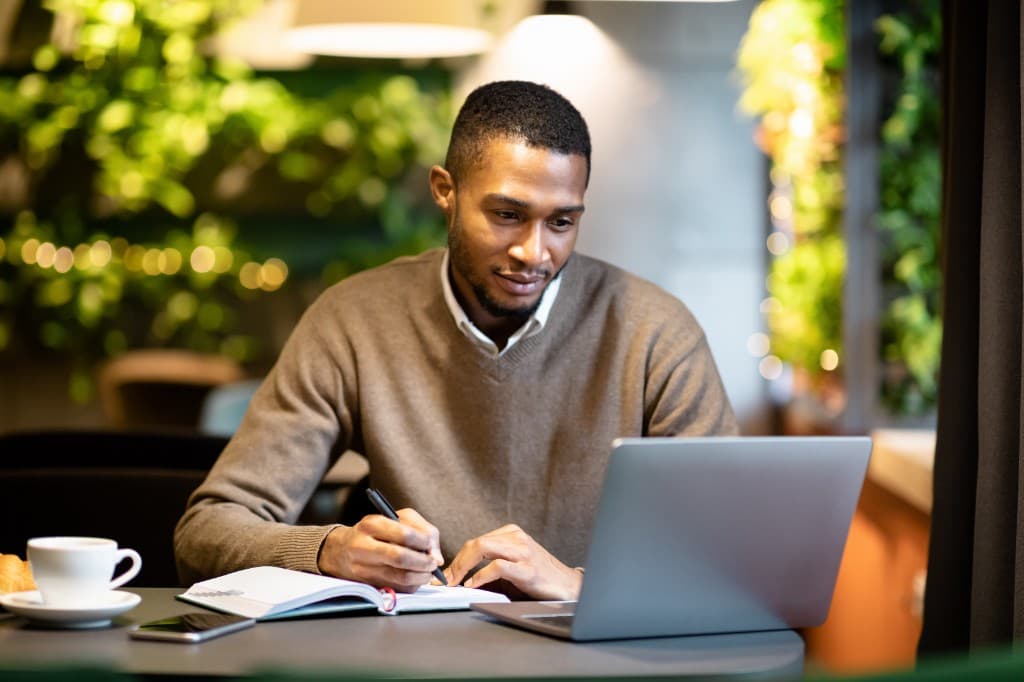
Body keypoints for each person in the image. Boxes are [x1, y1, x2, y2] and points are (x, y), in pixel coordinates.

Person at [174, 80, 738, 600]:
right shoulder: (355, 320)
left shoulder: (657, 331)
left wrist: (576, 583)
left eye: (561, 223)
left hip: (602, 658)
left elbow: (731, 552)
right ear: (445, 191)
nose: (534, 253)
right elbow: (205, 532)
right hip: (419, 655)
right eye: (507, 215)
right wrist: (328, 552)